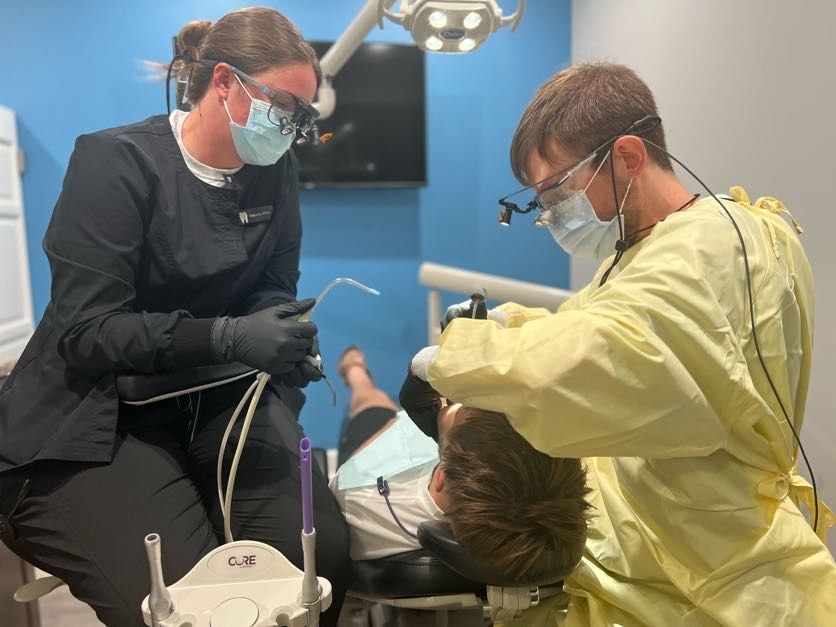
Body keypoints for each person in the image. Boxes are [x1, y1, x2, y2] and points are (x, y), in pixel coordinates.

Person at [400, 63, 836, 626]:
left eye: (556, 190)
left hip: (715, 574)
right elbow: (597, 319)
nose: (552, 214)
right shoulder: (645, 252)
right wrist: (505, 325)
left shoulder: (718, 246)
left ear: (627, 156)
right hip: (658, 535)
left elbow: (613, 354)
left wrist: (459, 361)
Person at [0, 9, 350, 626]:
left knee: (314, 572)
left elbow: (272, 283)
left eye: (302, 115)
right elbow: (87, 332)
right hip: (102, 411)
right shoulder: (113, 163)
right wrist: (228, 335)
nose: (291, 128)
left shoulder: (274, 170)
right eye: (283, 106)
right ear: (224, 82)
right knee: (190, 608)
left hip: (219, 395)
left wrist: (280, 331)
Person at [332, 348, 590, 582]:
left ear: (441, 476)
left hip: (377, 448)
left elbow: (349, 480)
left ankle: (356, 372)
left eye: (458, 406)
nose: (451, 400)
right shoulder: (535, 490)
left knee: (371, 403)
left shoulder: (358, 502)